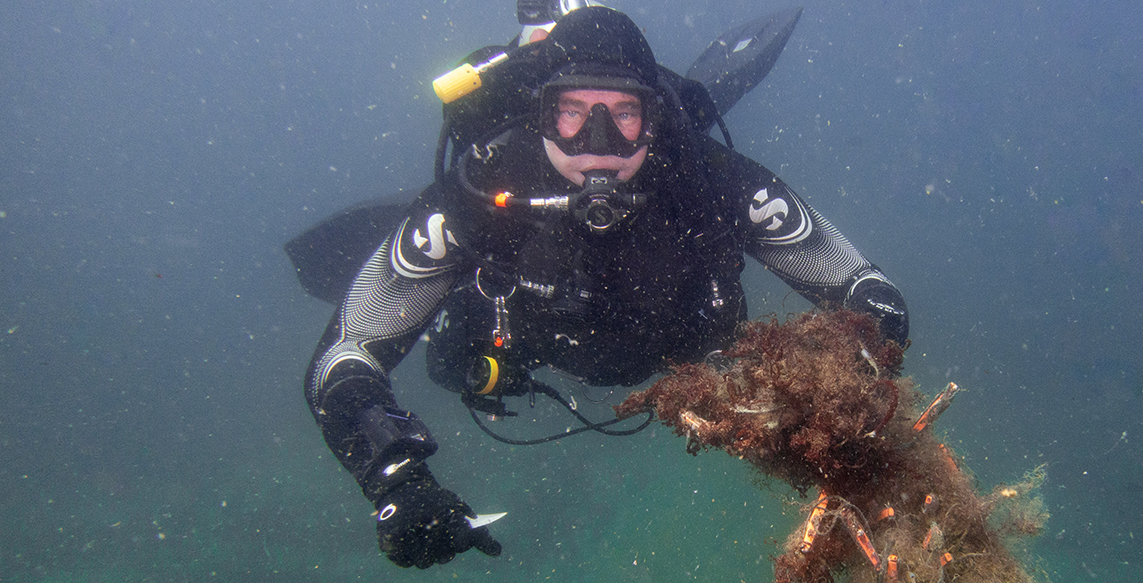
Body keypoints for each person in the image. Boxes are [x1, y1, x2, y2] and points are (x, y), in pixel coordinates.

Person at [299, 5, 909, 569]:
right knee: (449, 358)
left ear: (654, 120)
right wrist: (395, 482)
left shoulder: (708, 182)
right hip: (522, 341)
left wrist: (850, 387)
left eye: (622, 114)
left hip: (679, 345)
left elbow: (866, 290)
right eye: (571, 112)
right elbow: (345, 356)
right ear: (538, 114)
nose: (597, 145)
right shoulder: (481, 195)